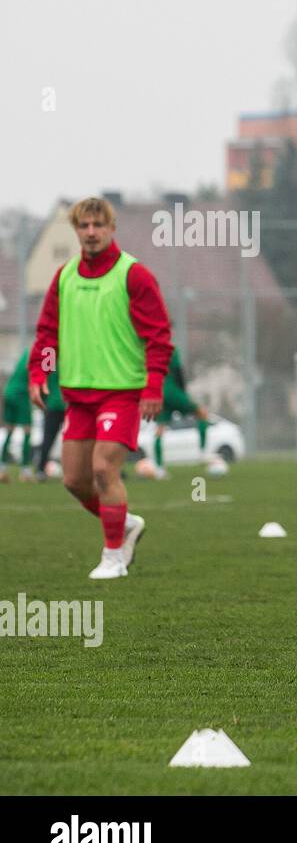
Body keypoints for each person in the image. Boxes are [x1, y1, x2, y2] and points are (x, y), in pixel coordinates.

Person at [28, 196, 172, 578]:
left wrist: (153, 385)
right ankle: (124, 524)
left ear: (111, 228)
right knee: (74, 480)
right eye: (84, 226)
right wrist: (40, 374)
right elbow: (47, 334)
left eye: (98, 225)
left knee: (105, 470)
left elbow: (158, 335)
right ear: (76, 230)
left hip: (121, 392)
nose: (91, 232)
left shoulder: (134, 275)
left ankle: (113, 557)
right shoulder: (65, 277)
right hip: (78, 396)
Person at [151, 345, 211, 479]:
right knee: (202, 413)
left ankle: (159, 468)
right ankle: (203, 454)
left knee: (159, 429)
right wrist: (183, 392)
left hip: (158, 392)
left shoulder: (150, 349)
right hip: (173, 391)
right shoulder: (170, 348)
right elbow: (178, 372)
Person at [2, 351, 37, 483]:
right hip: (21, 394)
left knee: (9, 430)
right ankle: (25, 471)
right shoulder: (47, 352)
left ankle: (2, 468)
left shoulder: (27, 352)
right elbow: (47, 375)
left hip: (9, 391)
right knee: (27, 431)